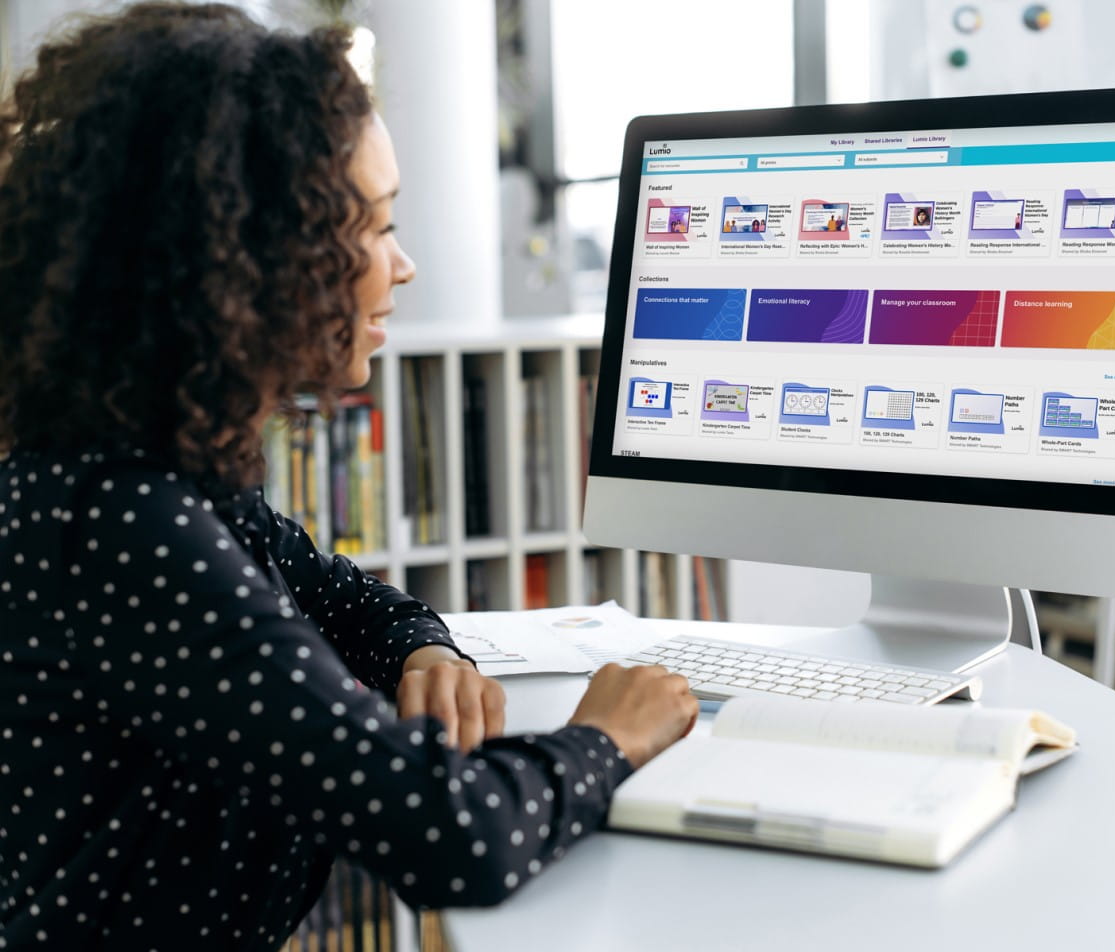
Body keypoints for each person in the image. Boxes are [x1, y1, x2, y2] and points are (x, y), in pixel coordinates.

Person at [0, 3, 698, 947]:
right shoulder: (122, 523)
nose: (402, 268)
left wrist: (426, 653)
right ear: (245, 258)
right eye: (370, 229)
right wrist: (611, 735)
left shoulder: (162, 470)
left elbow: (346, 599)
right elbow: (453, 836)